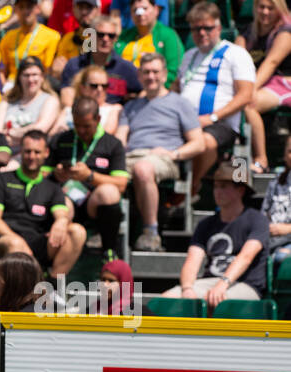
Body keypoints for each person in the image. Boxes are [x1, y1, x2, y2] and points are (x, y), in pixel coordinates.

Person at [118, 53, 204, 251]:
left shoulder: (180, 103)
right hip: (131, 156)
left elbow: (198, 143)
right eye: (146, 72)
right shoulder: (130, 107)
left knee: (143, 169)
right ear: (139, 76)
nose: (151, 77)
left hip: (164, 159)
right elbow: (121, 138)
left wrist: (173, 154)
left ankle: (151, 232)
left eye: (155, 72)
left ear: (165, 75)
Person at [161, 159, 270, 306]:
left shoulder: (257, 220)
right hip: (210, 282)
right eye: (215, 186)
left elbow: (246, 257)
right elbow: (193, 260)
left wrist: (222, 284)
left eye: (224, 187)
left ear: (241, 190)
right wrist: (187, 289)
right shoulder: (205, 224)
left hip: (245, 285)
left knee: (216, 301)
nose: (217, 192)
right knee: (165, 300)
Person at [174, 3, 256, 193]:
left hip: (221, 123)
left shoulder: (235, 54)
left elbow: (245, 96)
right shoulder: (188, 56)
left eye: (207, 28)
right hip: (185, 122)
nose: (201, 33)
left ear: (219, 28)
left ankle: (190, 188)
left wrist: (211, 117)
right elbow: (175, 90)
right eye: (196, 28)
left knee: (203, 142)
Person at [0, 129, 87, 277]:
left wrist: (61, 221)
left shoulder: (52, 187)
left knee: (77, 232)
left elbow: (61, 213)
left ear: (46, 153)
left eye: (37, 152)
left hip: (38, 240)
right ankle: (19, 295)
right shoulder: (1, 179)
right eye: (27, 151)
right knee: (15, 244)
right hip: (6, 238)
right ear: (20, 151)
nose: (31, 156)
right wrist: (19, 241)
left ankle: (52, 286)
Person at [49, 95, 130, 253]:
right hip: (66, 200)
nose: (81, 130)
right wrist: (56, 174)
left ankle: (109, 251)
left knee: (109, 192)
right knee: (61, 203)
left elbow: (121, 184)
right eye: (77, 125)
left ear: (98, 119)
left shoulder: (112, 144)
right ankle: (52, 260)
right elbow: (43, 173)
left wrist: (90, 176)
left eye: (86, 126)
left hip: (94, 203)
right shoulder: (61, 140)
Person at [236, 0, 291, 174]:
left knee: (247, 104)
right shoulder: (247, 33)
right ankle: (239, 166)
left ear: (279, 9)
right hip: (256, 84)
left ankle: (261, 160)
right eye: (261, 7)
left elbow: (271, 63)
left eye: (270, 8)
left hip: (283, 84)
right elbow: (237, 61)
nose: (265, 12)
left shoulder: (285, 31)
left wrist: (248, 91)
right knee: (233, 106)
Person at [58, 14, 143, 104]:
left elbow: (144, 90)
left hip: (113, 115)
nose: (105, 39)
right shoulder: (75, 64)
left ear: (116, 39)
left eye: (111, 36)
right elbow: (66, 95)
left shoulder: (126, 68)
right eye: (100, 35)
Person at [0, 56, 61, 150]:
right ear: (19, 77)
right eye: (26, 75)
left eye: (34, 75)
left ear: (42, 77)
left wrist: (10, 133)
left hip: (30, 156)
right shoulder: (7, 102)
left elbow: (39, 130)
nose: (30, 80)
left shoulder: (50, 100)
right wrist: (24, 133)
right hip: (4, 152)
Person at [116, 1, 184, 85]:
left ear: (156, 10)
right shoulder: (123, 36)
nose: (139, 13)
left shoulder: (168, 36)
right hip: (121, 90)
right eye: (135, 10)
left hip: (154, 91)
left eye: (144, 9)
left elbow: (174, 71)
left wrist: (148, 92)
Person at [0, 0, 62, 88]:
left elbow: (48, 71)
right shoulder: (8, 37)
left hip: (38, 84)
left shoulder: (52, 36)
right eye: (21, 7)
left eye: (29, 7)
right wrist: (5, 86)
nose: (25, 11)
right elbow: (1, 70)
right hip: (12, 85)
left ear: (38, 8)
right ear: (16, 10)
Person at [51, 65, 124, 136]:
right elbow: (54, 133)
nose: (100, 89)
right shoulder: (68, 110)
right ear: (82, 88)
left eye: (104, 86)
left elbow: (107, 133)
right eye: (94, 86)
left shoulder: (115, 109)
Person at [52, 0, 101, 81]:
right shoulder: (67, 38)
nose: (84, 12)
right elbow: (59, 68)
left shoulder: (106, 37)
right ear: (73, 9)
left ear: (98, 10)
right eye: (80, 7)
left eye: (88, 8)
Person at [261, 136, 291, 264]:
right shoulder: (276, 182)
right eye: (290, 151)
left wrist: (288, 229)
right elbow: (263, 213)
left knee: (280, 258)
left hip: (288, 241)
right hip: (271, 239)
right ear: (284, 155)